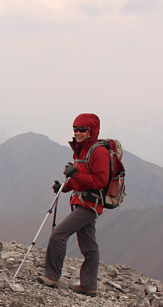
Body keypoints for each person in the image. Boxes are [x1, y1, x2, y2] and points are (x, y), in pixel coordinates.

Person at [37, 113, 110, 296]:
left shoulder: (98, 152)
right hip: (82, 202)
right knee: (88, 245)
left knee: (59, 235)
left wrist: (75, 175)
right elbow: (80, 177)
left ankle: (52, 276)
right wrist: (63, 187)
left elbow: (101, 181)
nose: (77, 133)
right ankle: (88, 285)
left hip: (89, 204)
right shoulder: (82, 150)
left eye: (82, 130)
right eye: (75, 129)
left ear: (91, 131)